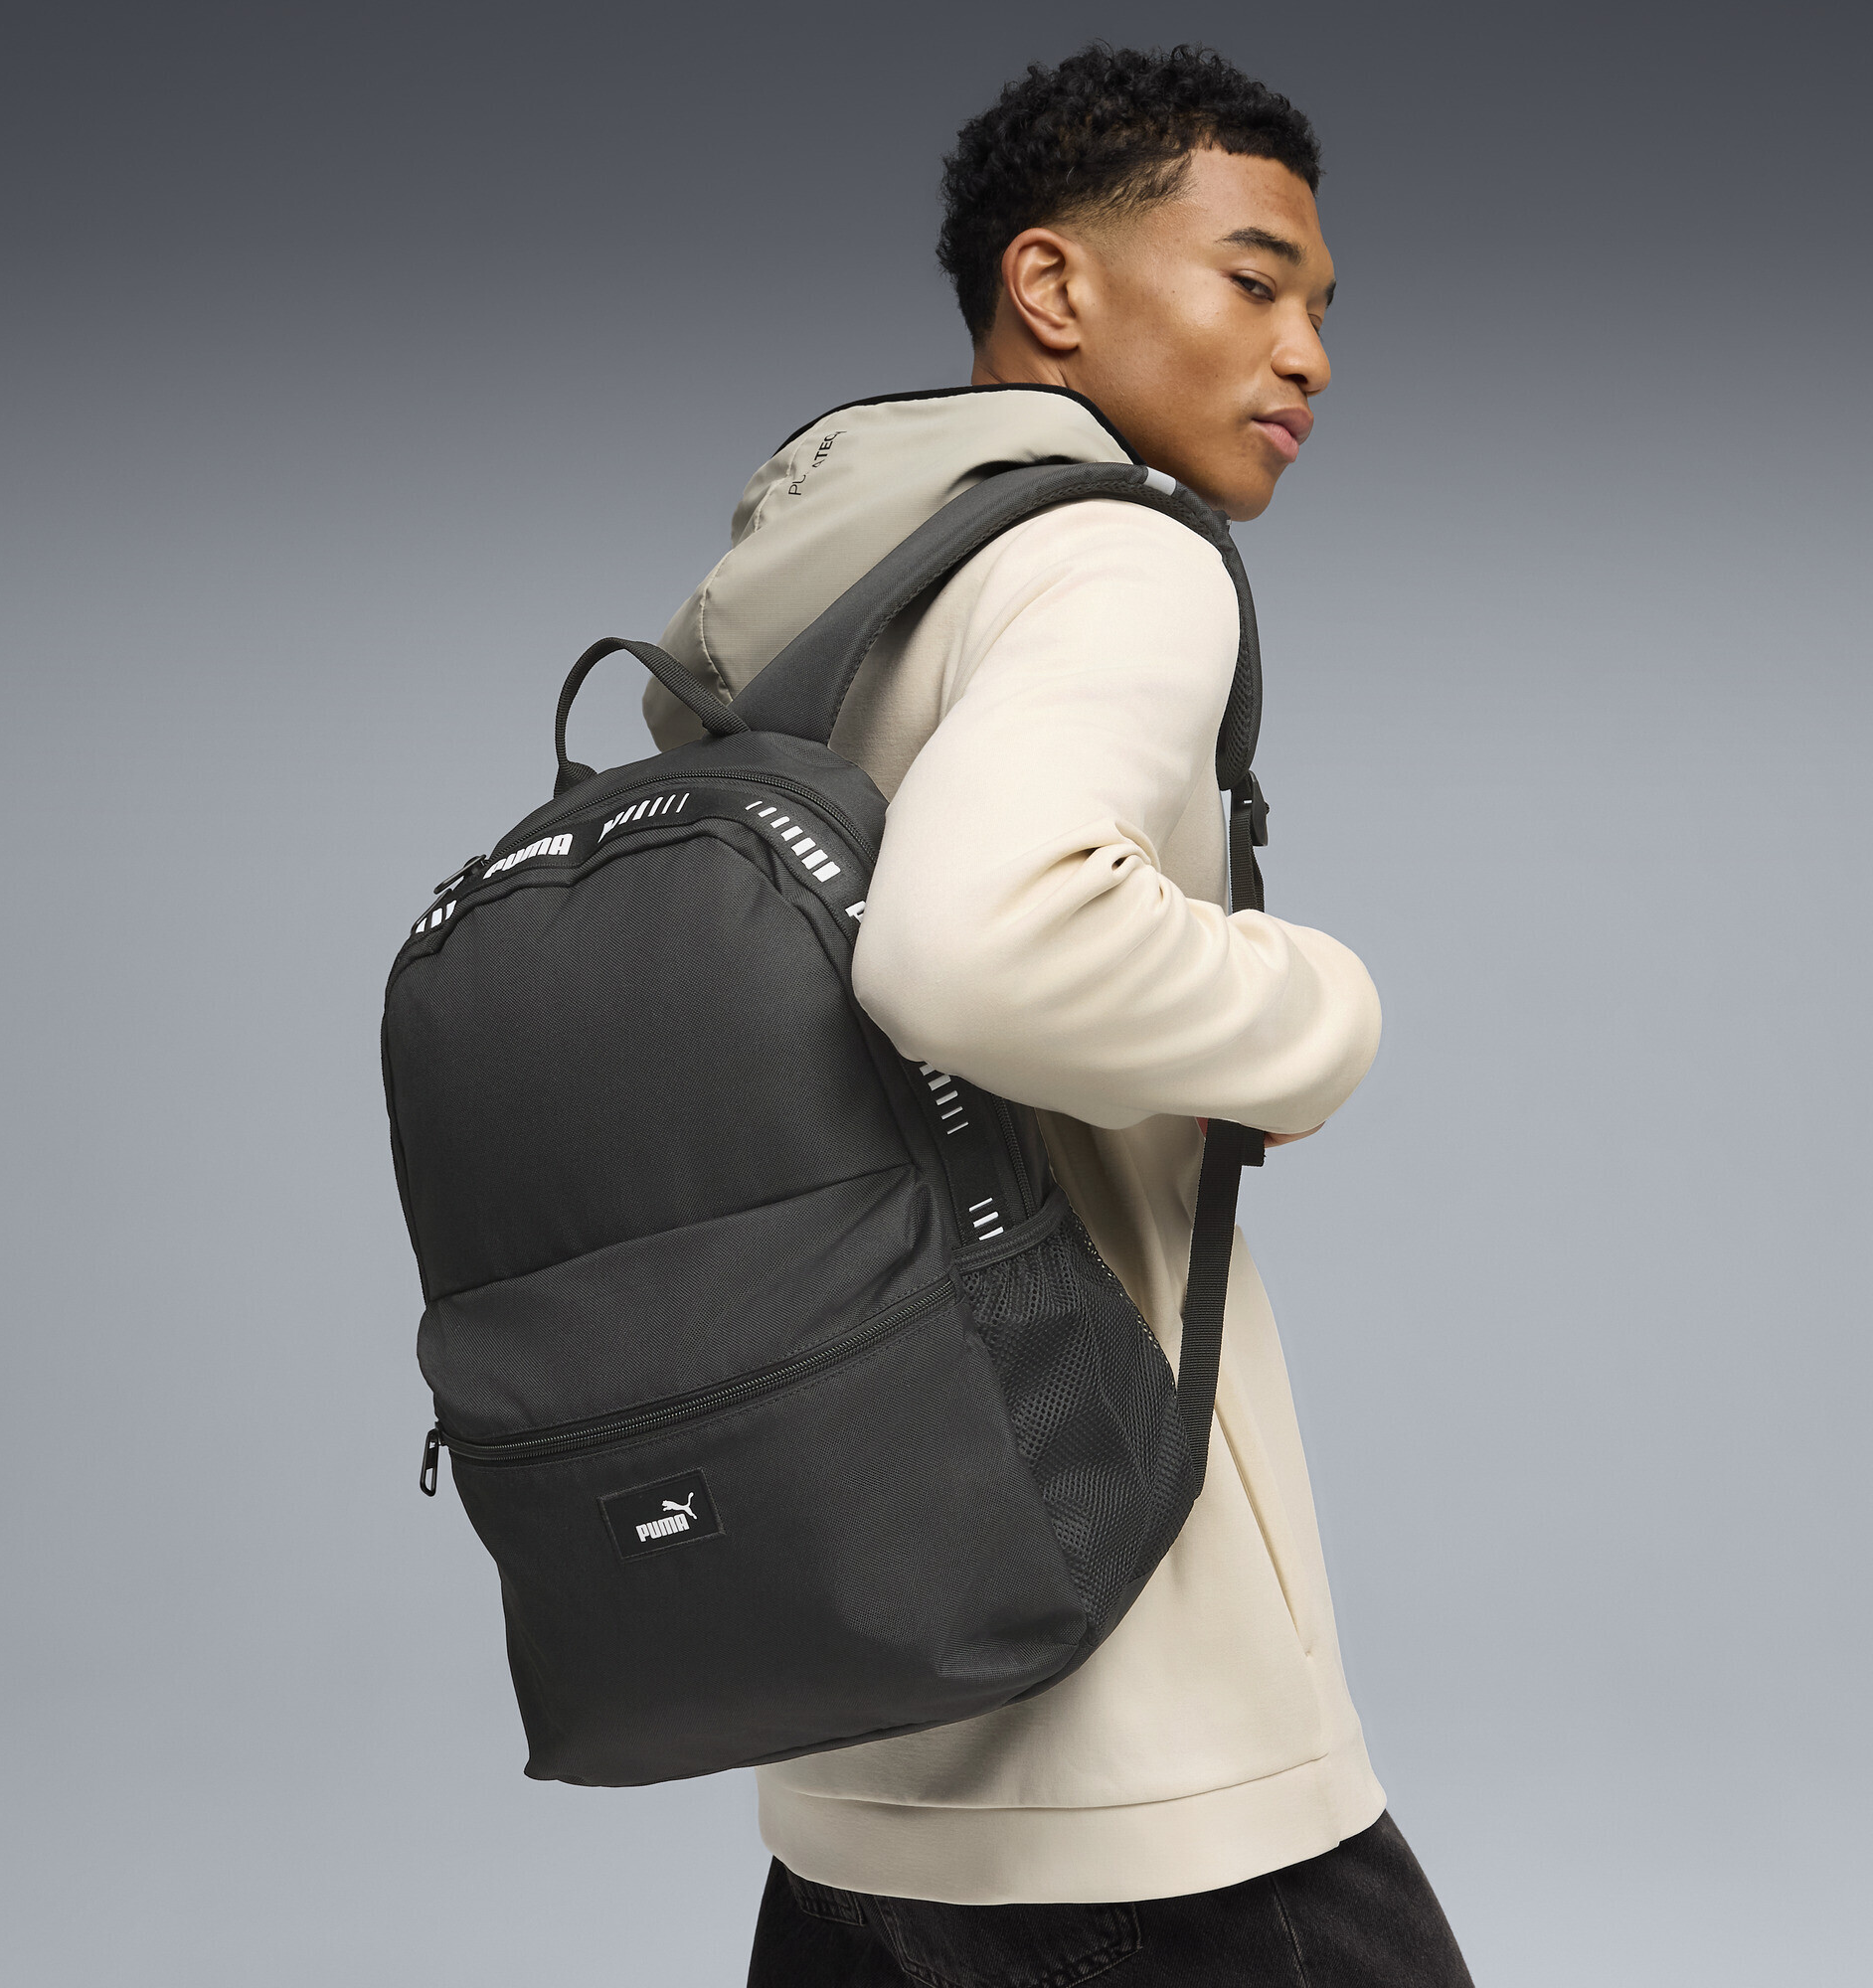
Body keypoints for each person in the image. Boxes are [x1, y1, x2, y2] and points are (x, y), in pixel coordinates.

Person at [642, 43, 1473, 1988]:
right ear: (1052, 286)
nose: (1308, 354)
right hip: (1132, 1734)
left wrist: (1157, 1048)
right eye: (1254, 281)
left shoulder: (819, 606)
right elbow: (975, 950)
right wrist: (1311, 1007)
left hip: (856, 1689)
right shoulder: (1109, 553)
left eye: (1321, 308)